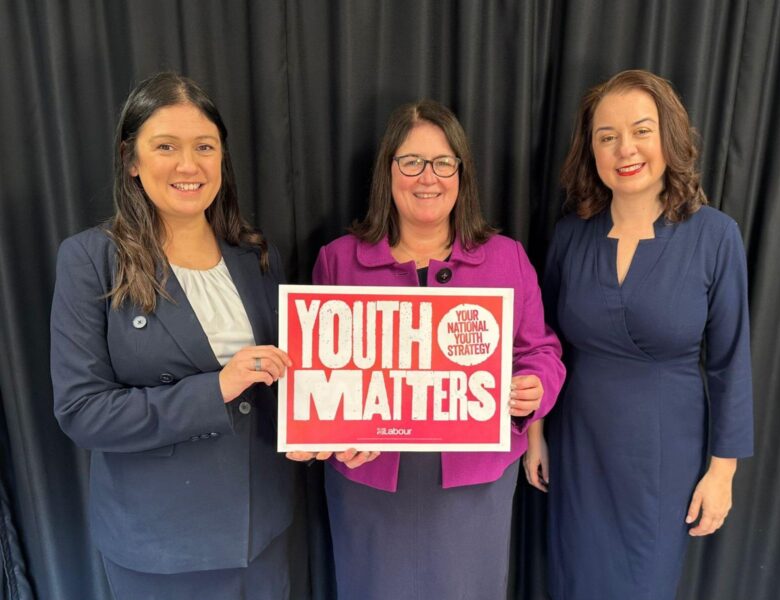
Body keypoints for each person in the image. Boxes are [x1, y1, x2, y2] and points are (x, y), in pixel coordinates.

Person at [50, 72, 301, 599]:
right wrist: (215, 389)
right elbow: (83, 412)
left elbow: (283, 383)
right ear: (132, 160)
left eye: (204, 147)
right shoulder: (91, 261)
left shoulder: (257, 256)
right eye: (166, 146)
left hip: (262, 535)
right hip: (162, 544)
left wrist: (319, 433)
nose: (189, 165)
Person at [307, 99, 565, 599]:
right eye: (411, 162)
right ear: (388, 171)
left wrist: (536, 389)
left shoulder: (506, 258)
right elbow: (317, 375)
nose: (429, 177)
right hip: (369, 483)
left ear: (462, 173)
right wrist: (328, 429)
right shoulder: (338, 260)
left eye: (444, 162)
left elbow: (541, 352)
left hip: (474, 486)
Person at [524, 69, 754, 600]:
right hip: (577, 447)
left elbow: (730, 363)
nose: (625, 148)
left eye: (640, 130)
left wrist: (722, 475)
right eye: (607, 137)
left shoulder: (715, 236)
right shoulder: (569, 235)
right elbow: (543, 343)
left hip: (663, 454)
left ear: (668, 138)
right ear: (592, 151)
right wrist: (534, 434)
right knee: (573, 581)